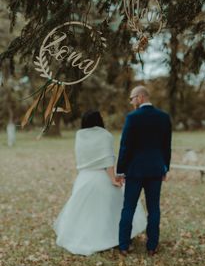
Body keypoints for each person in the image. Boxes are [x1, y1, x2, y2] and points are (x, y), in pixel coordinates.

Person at [53, 110, 146, 256]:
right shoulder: (105, 135)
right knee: (110, 210)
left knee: (85, 212)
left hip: (84, 178)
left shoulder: (79, 135)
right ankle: (111, 238)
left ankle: (84, 236)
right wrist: (113, 179)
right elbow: (108, 160)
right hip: (102, 177)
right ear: (99, 120)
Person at [117, 86, 172, 256]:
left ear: (140, 97)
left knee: (128, 208)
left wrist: (120, 170)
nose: (132, 102)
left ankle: (124, 245)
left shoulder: (132, 118)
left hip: (134, 170)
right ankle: (152, 246)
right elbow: (166, 146)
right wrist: (165, 168)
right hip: (155, 169)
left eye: (132, 98)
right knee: (154, 209)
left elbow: (125, 146)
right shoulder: (163, 117)